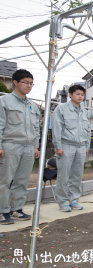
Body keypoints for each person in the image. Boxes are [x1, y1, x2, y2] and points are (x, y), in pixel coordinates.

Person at [0, 69, 40, 225]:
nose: (29, 86)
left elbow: (36, 128)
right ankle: (3, 210)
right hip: (11, 145)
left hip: (28, 146)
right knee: (5, 179)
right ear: (15, 82)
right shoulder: (4, 101)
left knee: (22, 180)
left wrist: (36, 146)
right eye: (25, 82)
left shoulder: (32, 106)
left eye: (31, 83)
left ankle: (16, 208)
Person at [52, 84, 91, 212]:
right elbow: (57, 128)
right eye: (77, 94)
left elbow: (88, 130)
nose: (80, 96)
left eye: (82, 94)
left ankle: (73, 200)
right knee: (64, 175)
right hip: (66, 145)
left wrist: (86, 145)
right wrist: (58, 146)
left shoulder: (84, 111)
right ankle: (63, 201)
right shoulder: (62, 108)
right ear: (70, 95)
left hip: (80, 146)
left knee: (77, 175)